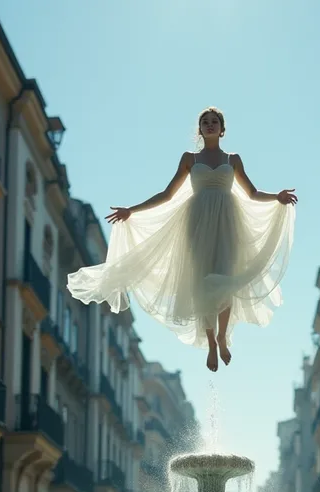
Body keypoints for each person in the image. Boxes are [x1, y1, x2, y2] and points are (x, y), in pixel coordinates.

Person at [67, 106, 297, 372]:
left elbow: (252, 192)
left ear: (222, 129)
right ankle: (211, 341)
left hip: (228, 221)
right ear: (199, 130)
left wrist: (276, 197)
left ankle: (223, 336)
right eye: (205, 122)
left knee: (225, 278)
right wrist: (132, 210)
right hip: (196, 223)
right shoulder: (190, 159)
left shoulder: (233, 159)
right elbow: (167, 194)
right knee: (201, 281)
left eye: (214, 122)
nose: (209, 125)